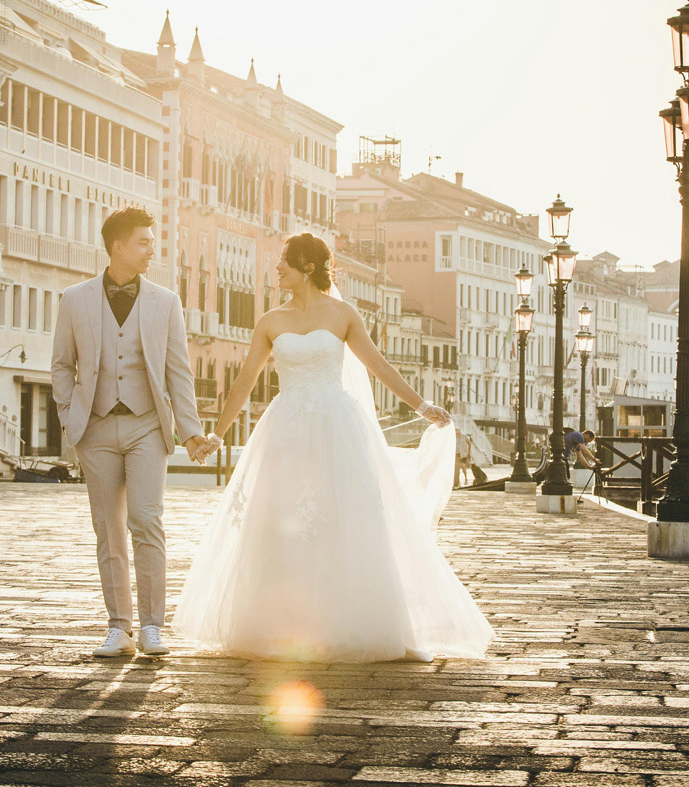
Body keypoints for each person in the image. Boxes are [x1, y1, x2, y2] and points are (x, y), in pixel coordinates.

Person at [175, 233, 494, 663]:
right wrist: (218, 432)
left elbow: (377, 364)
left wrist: (421, 405)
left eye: (284, 262)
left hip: (336, 428)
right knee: (282, 518)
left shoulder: (343, 314)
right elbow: (244, 381)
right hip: (285, 429)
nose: (277, 269)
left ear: (307, 267)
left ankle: (342, 621)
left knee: (341, 518)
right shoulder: (270, 321)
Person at [51, 206, 212, 660]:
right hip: (95, 428)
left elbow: (179, 372)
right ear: (117, 246)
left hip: (146, 426)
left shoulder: (165, 302)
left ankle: (152, 626)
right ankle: (118, 627)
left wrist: (191, 430)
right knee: (108, 530)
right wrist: (70, 419)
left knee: (147, 520)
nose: (152, 249)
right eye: (143, 241)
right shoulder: (74, 299)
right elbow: (62, 365)